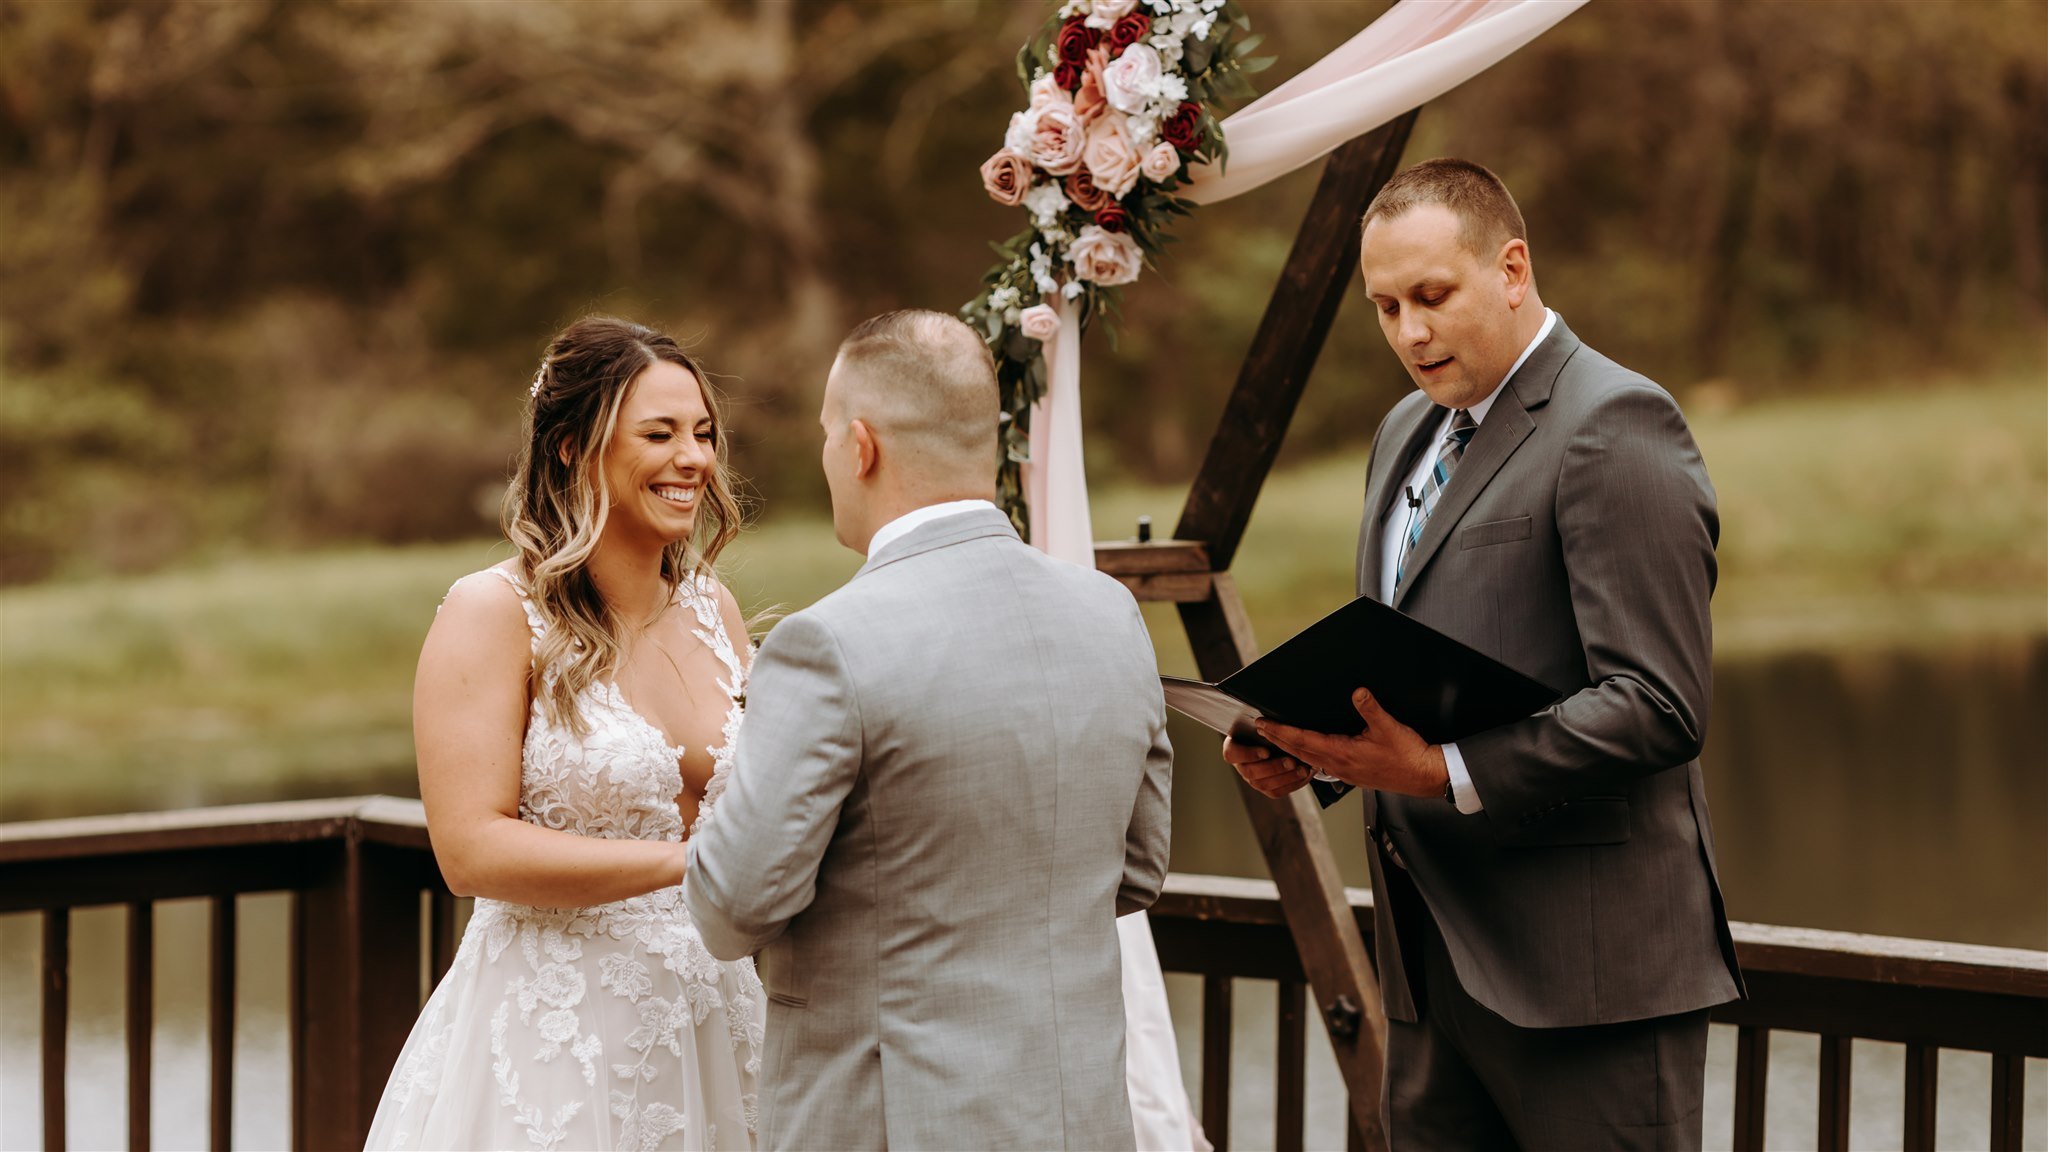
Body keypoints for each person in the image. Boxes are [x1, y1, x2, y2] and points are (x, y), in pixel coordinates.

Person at [1225, 159, 1744, 1150]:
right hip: (1426, 976)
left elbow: (1656, 703)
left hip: (1586, 988)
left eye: (1430, 296)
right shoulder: (1399, 435)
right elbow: (1401, 666)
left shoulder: (1616, 424)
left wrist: (1447, 771)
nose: (1407, 333)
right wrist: (1312, 746)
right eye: (1383, 307)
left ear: (1510, 269)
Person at [683, 309, 1174, 1151]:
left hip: (891, 1118)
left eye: (829, 434)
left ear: (862, 446)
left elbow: (731, 907)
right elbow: (1139, 866)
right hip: (1078, 1114)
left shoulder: (828, 644)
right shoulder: (1110, 614)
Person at [366, 317, 765, 1150]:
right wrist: (692, 866)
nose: (693, 457)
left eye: (703, 433)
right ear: (571, 449)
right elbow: (469, 850)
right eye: (658, 434)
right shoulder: (492, 612)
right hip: (560, 1041)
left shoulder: (710, 607)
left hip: (718, 1023)